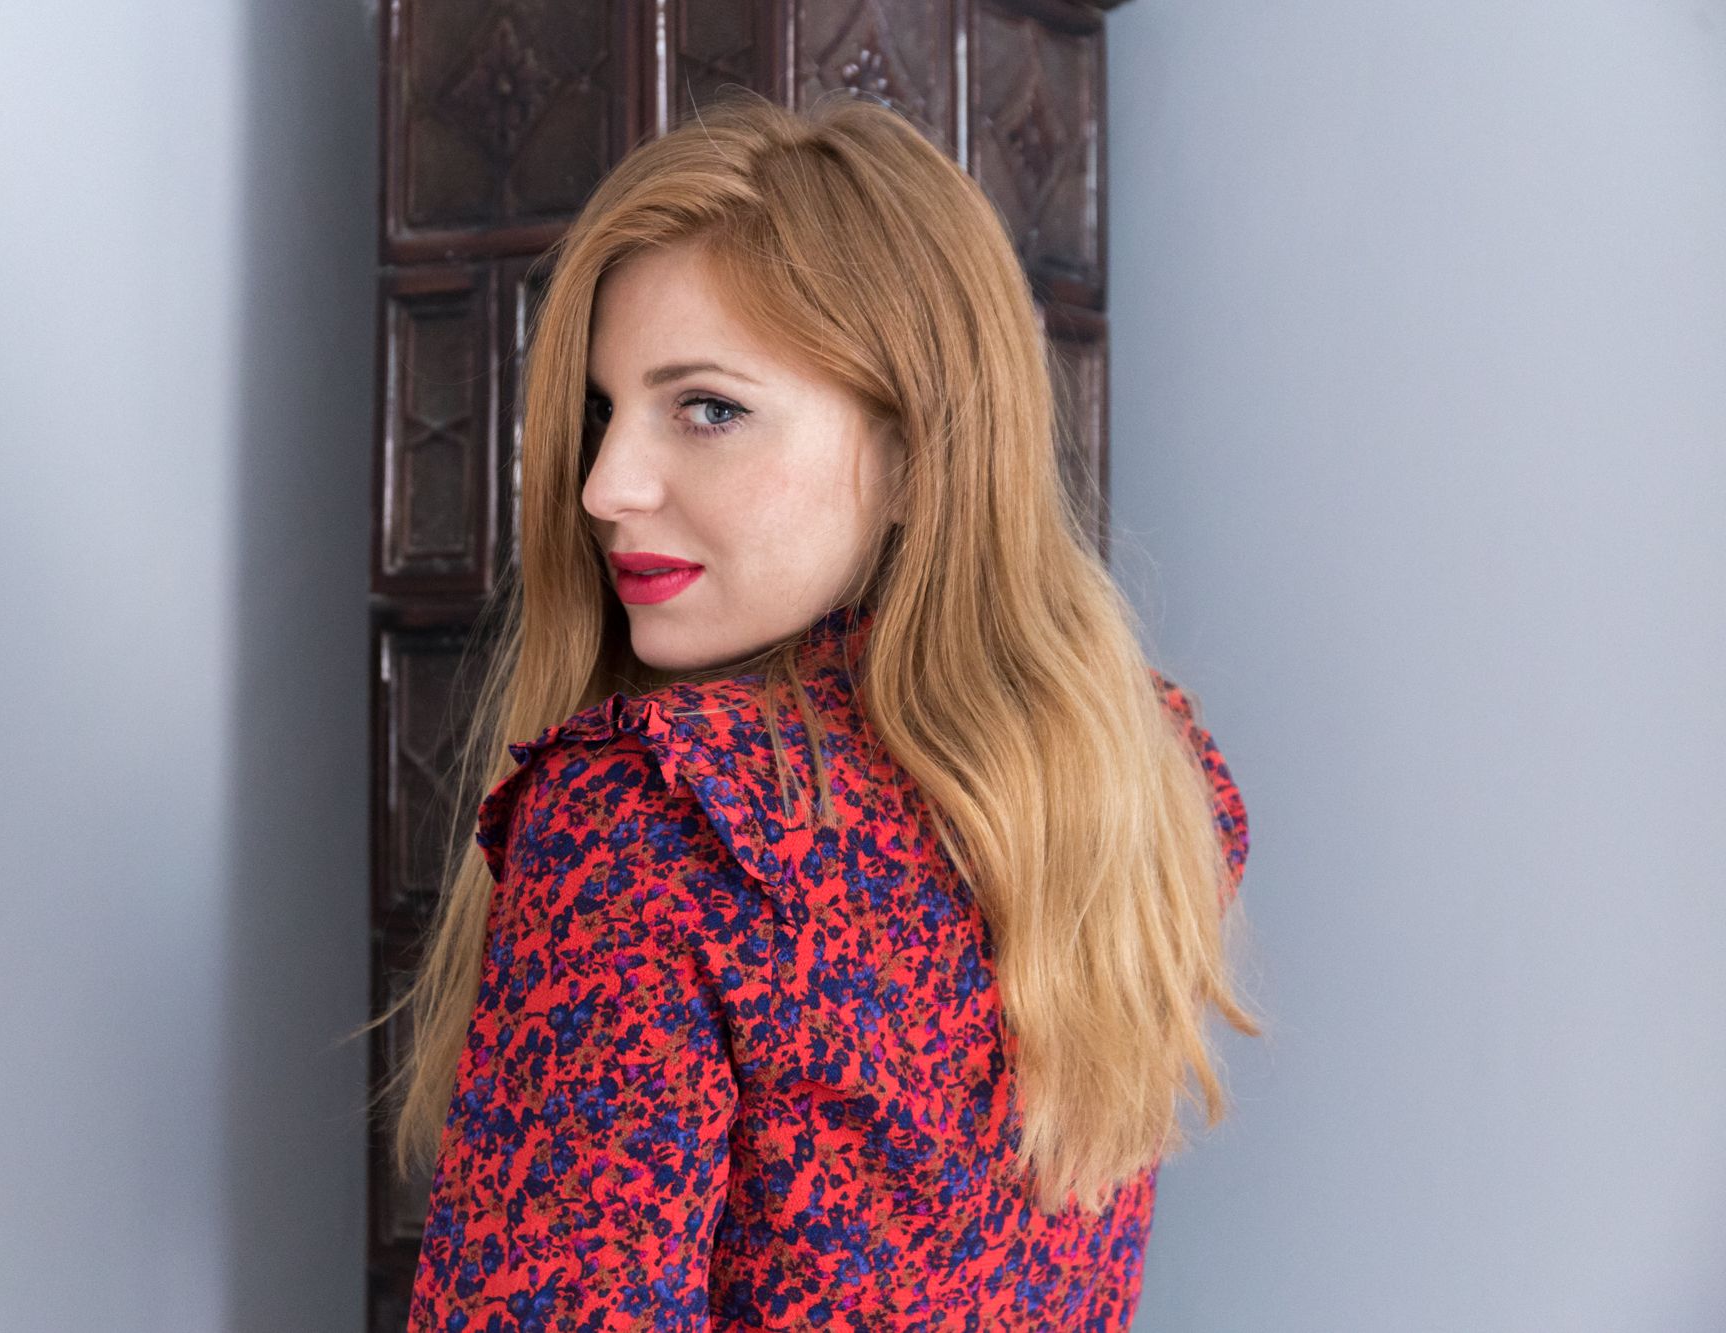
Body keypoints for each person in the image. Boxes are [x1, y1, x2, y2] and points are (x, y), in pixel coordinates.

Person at [372, 88, 1260, 1331]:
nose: (604, 487)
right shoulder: (1143, 774)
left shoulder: (650, 821)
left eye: (707, 408)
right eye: (599, 413)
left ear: (913, 452)